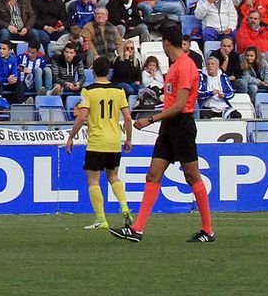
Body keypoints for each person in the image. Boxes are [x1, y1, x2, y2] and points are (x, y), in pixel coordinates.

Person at [109, 25, 213, 244]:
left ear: (166, 43)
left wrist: (150, 119)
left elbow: (181, 105)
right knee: (153, 174)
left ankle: (207, 230)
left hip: (181, 125)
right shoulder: (177, 65)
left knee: (192, 176)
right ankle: (137, 228)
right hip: (170, 125)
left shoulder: (185, 65)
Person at [64, 56, 134, 231]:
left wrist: (71, 136)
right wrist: (129, 139)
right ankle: (124, 206)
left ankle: (101, 218)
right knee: (113, 177)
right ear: (108, 71)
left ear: (93, 71)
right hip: (113, 141)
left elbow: (82, 116)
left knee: (93, 181)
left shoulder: (88, 91)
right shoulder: (119, 91)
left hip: (96, 142)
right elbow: (127, 117)